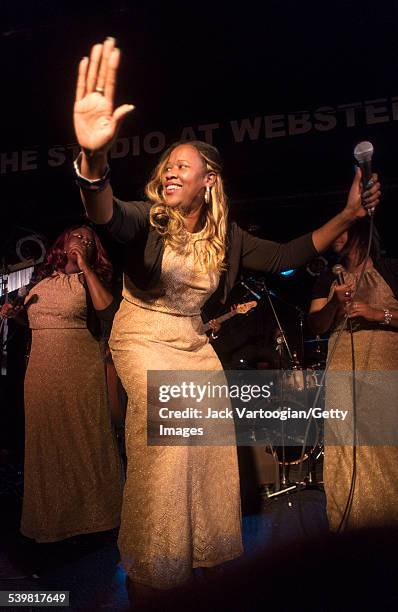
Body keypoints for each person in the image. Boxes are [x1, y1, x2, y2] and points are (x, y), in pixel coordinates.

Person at [72, 38, 380, 599]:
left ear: (208, 180)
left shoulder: (229, 240)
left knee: (210, 456)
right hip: (142, 338)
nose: (170, 172)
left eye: (183, 167)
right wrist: (93, 164)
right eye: (167, 166)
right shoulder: (147, 221)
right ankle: (151, 572)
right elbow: (106, 216)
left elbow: (289, 254)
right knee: (168, 449)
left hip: (193, 345)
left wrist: (348, 214)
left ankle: (202, 569)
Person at [1, 225, 123, 543]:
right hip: (41, 369)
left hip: (80, 366)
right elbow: (36, 320)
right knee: (48, 443)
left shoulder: (89, 278)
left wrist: (84, 266)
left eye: (88, 240)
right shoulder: (40, 279)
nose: (81, 241)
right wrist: (14, 314)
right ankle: (54, 519)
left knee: (84, 439)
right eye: (77, 236)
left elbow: (107, 309)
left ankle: (99, 517)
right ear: (63, 241)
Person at [308, 219, 398, 531]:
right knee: (345, 447)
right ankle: (348, 529)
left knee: (385, 449)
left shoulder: (390, 268)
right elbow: (316, 325)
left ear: (360, 232)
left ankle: (386, 527)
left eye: (343, 228)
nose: (335, 234)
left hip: (385, 366)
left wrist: (378, 314)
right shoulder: (328, 276)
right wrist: (334, 303)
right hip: (342, 366)